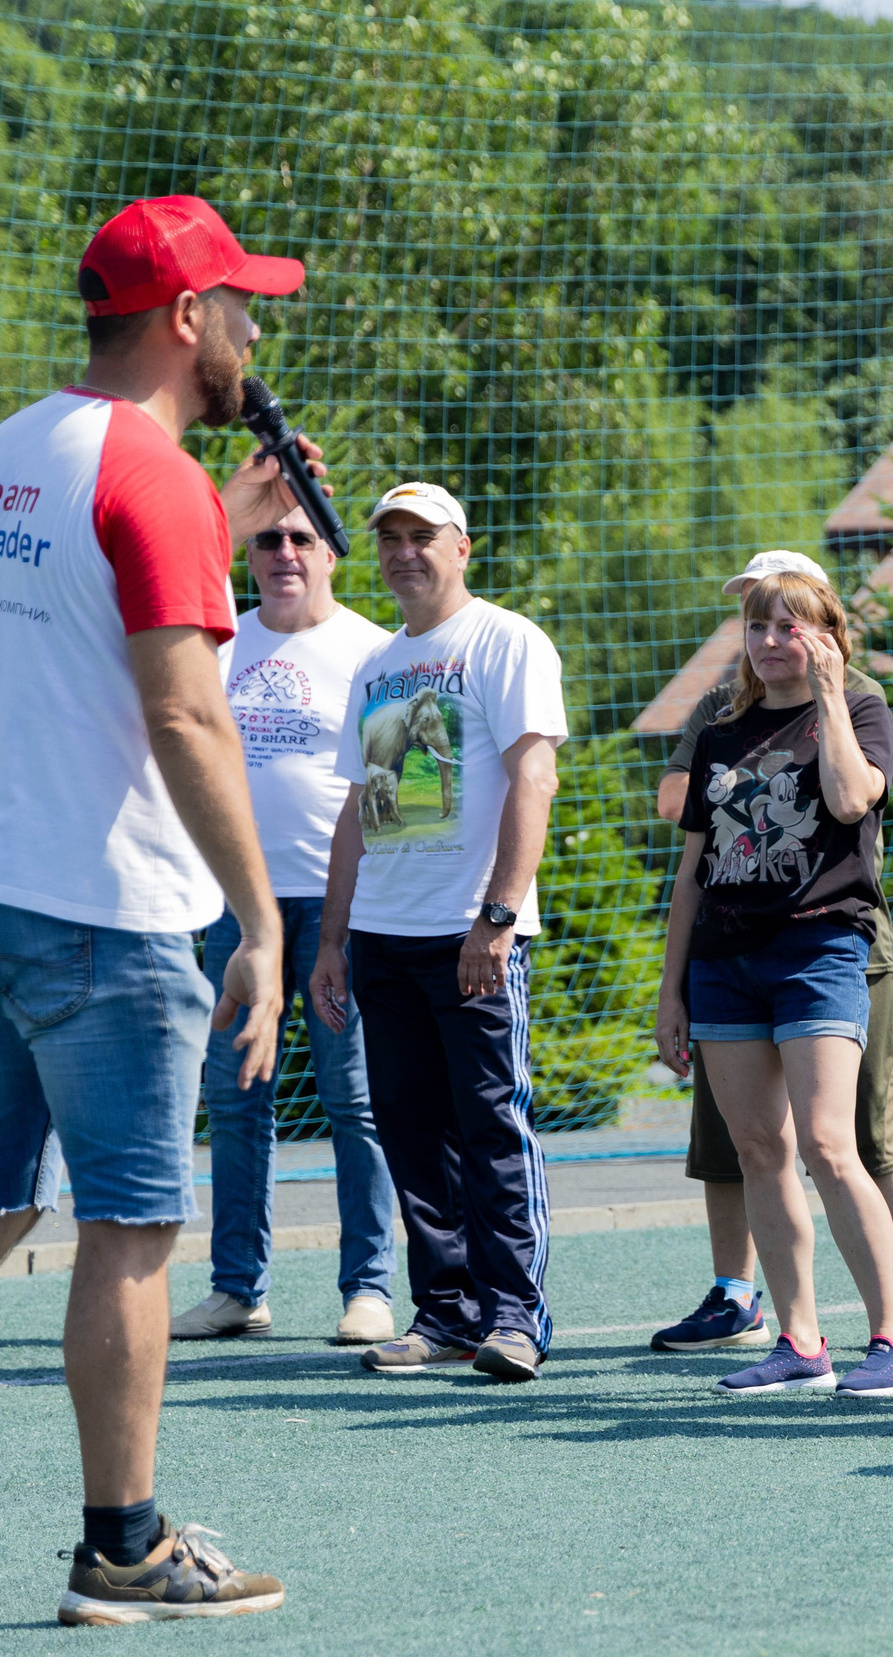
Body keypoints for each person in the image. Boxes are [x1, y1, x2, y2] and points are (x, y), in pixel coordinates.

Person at [0, 194, 305, 1622]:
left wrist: (226, 518)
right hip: (103, 910)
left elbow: (93, 606)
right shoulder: (150, 480)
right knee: (135, 1229)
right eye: (239, 302)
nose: (254, 328)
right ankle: (127, 1545)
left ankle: (128, 1536)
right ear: (182, 319)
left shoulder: (16, 445)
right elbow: (184, 713)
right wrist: (263, 922)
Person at [313, 482, 568, 1384]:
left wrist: (497, 916)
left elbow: (532, 782)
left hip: (473, 933)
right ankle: (447, 1312)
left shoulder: (506, 640)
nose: (404, 552)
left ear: (465, 547)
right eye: (390, 538)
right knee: (413, 1132)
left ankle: (513, 1316)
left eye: (423, 536)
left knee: (492, 1124)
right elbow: (358, 809)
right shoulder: (378, 663)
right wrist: (335, 938)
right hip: (382, 937)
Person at [649, 553, 893, 1361]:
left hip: (817, 947)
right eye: (758, 625)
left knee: (829, 1145)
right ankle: (799, 1342)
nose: (770, 640)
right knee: (759, 1151)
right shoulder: (720, 733)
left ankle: (892, 1342)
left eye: (789, 625)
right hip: (724, 963)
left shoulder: (862, 711)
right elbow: (694, 869)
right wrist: (673, 990)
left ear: (827, 636)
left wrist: (833, 694)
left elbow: (849, 799)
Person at [167, 506, 398, 1348]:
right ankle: (237, 1289)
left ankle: (369, 1287)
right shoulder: (216, 645)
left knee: (355, 1101)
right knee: (234, 1100)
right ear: (248, 553)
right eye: (268, 538)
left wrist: (356, 913)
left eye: (303, 538)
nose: (286, 553)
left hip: (342, 911)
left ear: (332, 551)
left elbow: (400, 794)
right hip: (234, 906)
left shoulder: (378, 650)